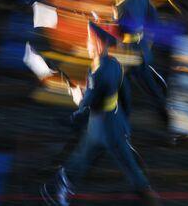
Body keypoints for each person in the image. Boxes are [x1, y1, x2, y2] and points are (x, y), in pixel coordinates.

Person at [41, 21, 161, 206]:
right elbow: (124, 96)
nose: (87, 45)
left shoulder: (96, 73)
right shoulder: (114, 65)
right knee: (129, 166)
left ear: (99, 44)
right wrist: (123, 122)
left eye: (90, 41)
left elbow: (86, 106)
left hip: (99, 127)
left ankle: (59, 189)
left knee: (81, 158)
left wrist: (77, 101)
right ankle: (148, 196)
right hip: (115, 122)